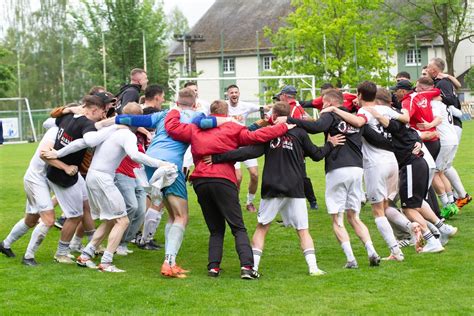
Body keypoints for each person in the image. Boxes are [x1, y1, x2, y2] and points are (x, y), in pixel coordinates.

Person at [204, 101, 345, 276]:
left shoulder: (268, 134)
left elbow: (246, 152)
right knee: (302, 230)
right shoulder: (299, 132)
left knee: (262, 227)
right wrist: (330, 144)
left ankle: (253, 267)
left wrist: (218, 158)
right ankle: (313, 268)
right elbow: (316, 154)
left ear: (276, 116)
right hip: (295, 187)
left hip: (272, 186)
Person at [165, 99, 291, 279]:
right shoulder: (233, 127)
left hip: (200, 180)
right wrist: (283, 127)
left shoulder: (195, 128)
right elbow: (258, 137)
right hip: (223, 179)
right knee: (238, 227)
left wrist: (175, 110)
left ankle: (213, 267)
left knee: (215, 229)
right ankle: (247, 267)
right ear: (226, 113)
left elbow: (173, 129)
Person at [48, 102, 174, 272]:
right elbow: (135, 155)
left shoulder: (111, 129)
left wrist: (58, 153)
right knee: (123, 221)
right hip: (103, 178)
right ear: (137, 120)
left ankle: (86, 255)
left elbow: (81, 142)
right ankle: (106, 262)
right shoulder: (128, 135)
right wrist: (162, 164)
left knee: (109, 221)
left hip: (93, 176)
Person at [279, 90, 381, 269]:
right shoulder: (356, 119)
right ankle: (372, 251)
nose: (322, 107)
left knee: (337, 219)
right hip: (357, 170)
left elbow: (316, 127)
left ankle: (351, 260)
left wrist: (289, 120)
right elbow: (377, 138)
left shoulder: (331, 115)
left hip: (337, 169)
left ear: (328, 103)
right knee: (354, 216)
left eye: (323, 104)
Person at [114, 88, 208, 278]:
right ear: (195, 102)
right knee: (182, 217)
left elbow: (132, 120)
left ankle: (169, 259)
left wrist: (110, 120)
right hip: (169, 165)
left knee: (172, 215)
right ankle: (169, 262)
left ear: (176, 101)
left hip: (150, 163)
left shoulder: (164, 114)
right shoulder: (198, 117)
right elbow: (214, 128)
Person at [319, 81, 405, 261]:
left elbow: (360, 124)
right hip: (392, 161)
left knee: (377, 211)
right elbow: (405, 118)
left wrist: (334, 110)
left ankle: (396, 250)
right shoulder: (385, 109)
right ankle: (414, 229)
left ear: (359, 94)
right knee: (386, 204)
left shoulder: (362, 113)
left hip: (375, 163)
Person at [363, 93, 458, 252]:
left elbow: (393, 127)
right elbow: (413, 133)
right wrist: (418, 142)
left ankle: (431, 241)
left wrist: (375, 114)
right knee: (417, 202)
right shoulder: (399, 115)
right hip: (417, 163)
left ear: (379, 103)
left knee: (408, 208)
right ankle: (443, 227)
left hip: (411, 165)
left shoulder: (392, 117)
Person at [41, 95, 117, 263]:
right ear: (94, 110)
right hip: (63, 174)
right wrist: (112, 127)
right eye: (103, 112)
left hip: (62, 171)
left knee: (86, 206)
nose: (104, 115)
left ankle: (92, 244)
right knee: (75, 215)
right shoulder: (86, 124)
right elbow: (90, 140)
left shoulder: (68, 116)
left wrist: (67, 109)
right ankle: (61, 253)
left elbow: (50, 120)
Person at [0, 126, 77, 265]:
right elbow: (44, 154)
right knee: (48, 220)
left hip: (42, 180)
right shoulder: (55, 131)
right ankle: (28, 257)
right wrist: (66, 167)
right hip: (36, 179)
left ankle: (5, 245)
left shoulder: (68, 132)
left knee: (30, 220)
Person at [426, 57, 471, 208]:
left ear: (434, 70)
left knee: (442, 168)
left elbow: (451, 99)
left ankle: (459, 197)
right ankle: (460, 196)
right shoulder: (443, 81)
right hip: (450, 126)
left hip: (451, 126)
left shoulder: (442, 83)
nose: (426, 71)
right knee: (443, 167)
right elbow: (455, 87)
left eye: (428, 69)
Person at [415, 77, 461, 218]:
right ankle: (451, 204)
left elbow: (438, 119)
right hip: (452, 139)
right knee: (442, 172)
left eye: (417, 87)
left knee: (434, 173)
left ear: (424, 89)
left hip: (445, 140)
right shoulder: (442, 103)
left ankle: (447, 205)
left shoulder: (433, 103)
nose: (416, 90)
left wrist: (428, 126)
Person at [226, 84, 264, 212]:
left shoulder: (245, 106)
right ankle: (234, 203)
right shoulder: (224, 106)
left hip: (246, 143)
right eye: (231, 92)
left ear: (239, 93)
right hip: (232, 145)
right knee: (237, 178)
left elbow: (263, 108)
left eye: (236, 92)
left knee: (254, 175)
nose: (234, 94)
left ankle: (249, 202)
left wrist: (272, 110)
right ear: (228, 94)